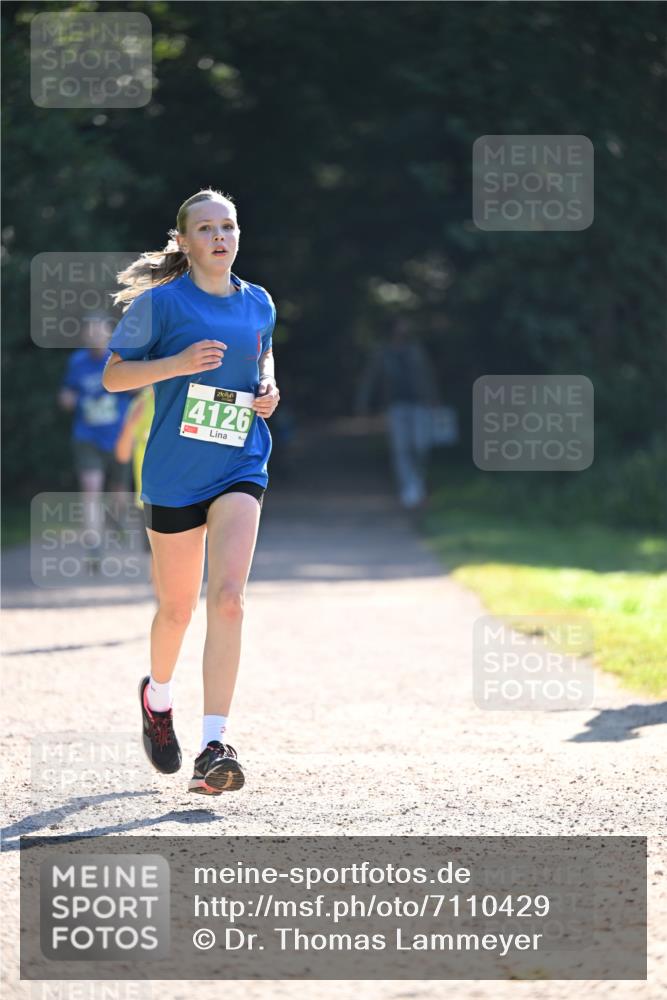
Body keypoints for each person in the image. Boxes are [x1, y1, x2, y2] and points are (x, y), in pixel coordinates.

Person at [103, 188, 280, 795]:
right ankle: (157, 697)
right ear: (184, 241)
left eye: (228, 225)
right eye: (205, 228)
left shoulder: (258, 302)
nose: (220, 236)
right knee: (177, 609)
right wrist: (176, 363)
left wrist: (267, 391)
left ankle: (215, 743)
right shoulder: (160, 305)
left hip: (240, 461)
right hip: (176, 473)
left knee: (228, 598)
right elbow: (114, 374)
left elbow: (264, 358)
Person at [58, 315, 134, 553]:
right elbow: (67, 392)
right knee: (91, 487)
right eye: (90, 333)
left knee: (119, 490)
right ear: (84, 336)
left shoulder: (120, 358)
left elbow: (139, 387)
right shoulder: (77, 361)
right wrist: (66, 399)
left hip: (119, 436)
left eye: (99, 332)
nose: (95, 337)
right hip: (87, 435)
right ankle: (93, 542)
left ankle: (116, 519)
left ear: (109, 335)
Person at [357, 317, 438, 510]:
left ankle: (417, 482)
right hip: (395, 405)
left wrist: (433, 397)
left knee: (420, 445)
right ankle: (409, 489)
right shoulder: (383, 352)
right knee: (401, 449)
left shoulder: (416, 350)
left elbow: (427, 374)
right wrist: (363, 403)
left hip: (419, 404)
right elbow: (371, 378)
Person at [114, 386, 157, 593]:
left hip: (184, 492)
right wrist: (131, 425)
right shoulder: (139, 403)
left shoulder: (183, 396)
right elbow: (122, 455)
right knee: (157, 558)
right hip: (148, 497)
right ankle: (164, 608)